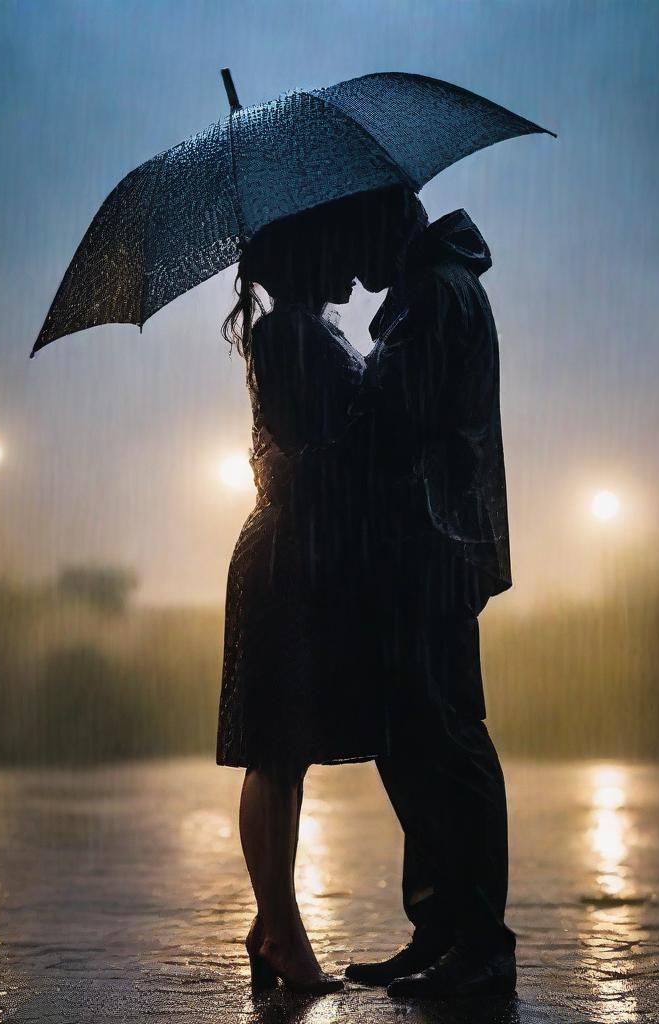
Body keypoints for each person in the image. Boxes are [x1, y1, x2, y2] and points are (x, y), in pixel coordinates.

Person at [340, 186, 518, 998]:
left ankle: (477, 941)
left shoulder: (435, 295)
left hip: (433, 544)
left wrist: (340, 377)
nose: (350, 261)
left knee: (442, 739)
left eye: (355, 240)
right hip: (426, 541)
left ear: (389, 229)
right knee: (416, 738)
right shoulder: (427, 292)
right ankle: (441, 929)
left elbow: (398, 417)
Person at [215, 201, 385, 995]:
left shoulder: (308, 331)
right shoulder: (287, 335)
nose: (352, 261)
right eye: (336, 249)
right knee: (275, 755)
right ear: (307, 260)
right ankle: (285, 935)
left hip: (303, 556)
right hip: (284, 557)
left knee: (289, 752)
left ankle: (267, 924)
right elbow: (300, 455)